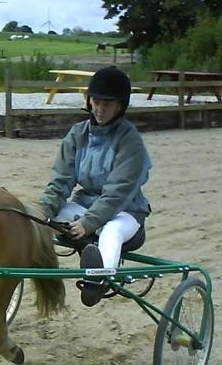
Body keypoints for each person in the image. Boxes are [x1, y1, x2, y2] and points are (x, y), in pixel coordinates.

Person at [39, 66, 152, 306]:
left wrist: (89, 223)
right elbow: (60, 181)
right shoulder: (77, 134)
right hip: (85, 206)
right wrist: (41, 212)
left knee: (110, 232)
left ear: (121, 105)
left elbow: (118, 192)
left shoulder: (129, 140)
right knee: (46, 219)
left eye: (108, 104)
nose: (100, 109)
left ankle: (99, 281)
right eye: (96, 102)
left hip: (125, 213)